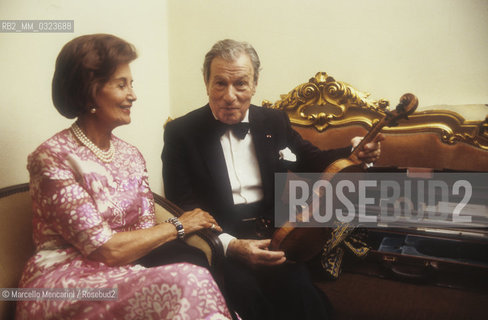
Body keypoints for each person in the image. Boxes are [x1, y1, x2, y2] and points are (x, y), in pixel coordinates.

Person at [162, 39, 383, 320]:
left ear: (254, 85)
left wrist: (355, 151)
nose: (229, 95)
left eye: (240, 83)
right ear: (206, 83)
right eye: (220, 83)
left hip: (277, 238)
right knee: (246, 299)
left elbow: (312, 159)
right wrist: (231, 246)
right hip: (219, 242)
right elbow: (181, 206)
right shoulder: (180, 133)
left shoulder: (274, 121)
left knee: (304, 300)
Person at [16, 34, 233, 320]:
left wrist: (171, 239)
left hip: (126, 270)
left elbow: (145, 231)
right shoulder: (53, 157)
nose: (133, 95)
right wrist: (179, 224)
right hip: (66, 282)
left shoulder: (131, 155)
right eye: (122, 85)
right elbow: (104, 249)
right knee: (187, 280)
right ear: (89, 91)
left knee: (191, 275)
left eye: (131, 84)